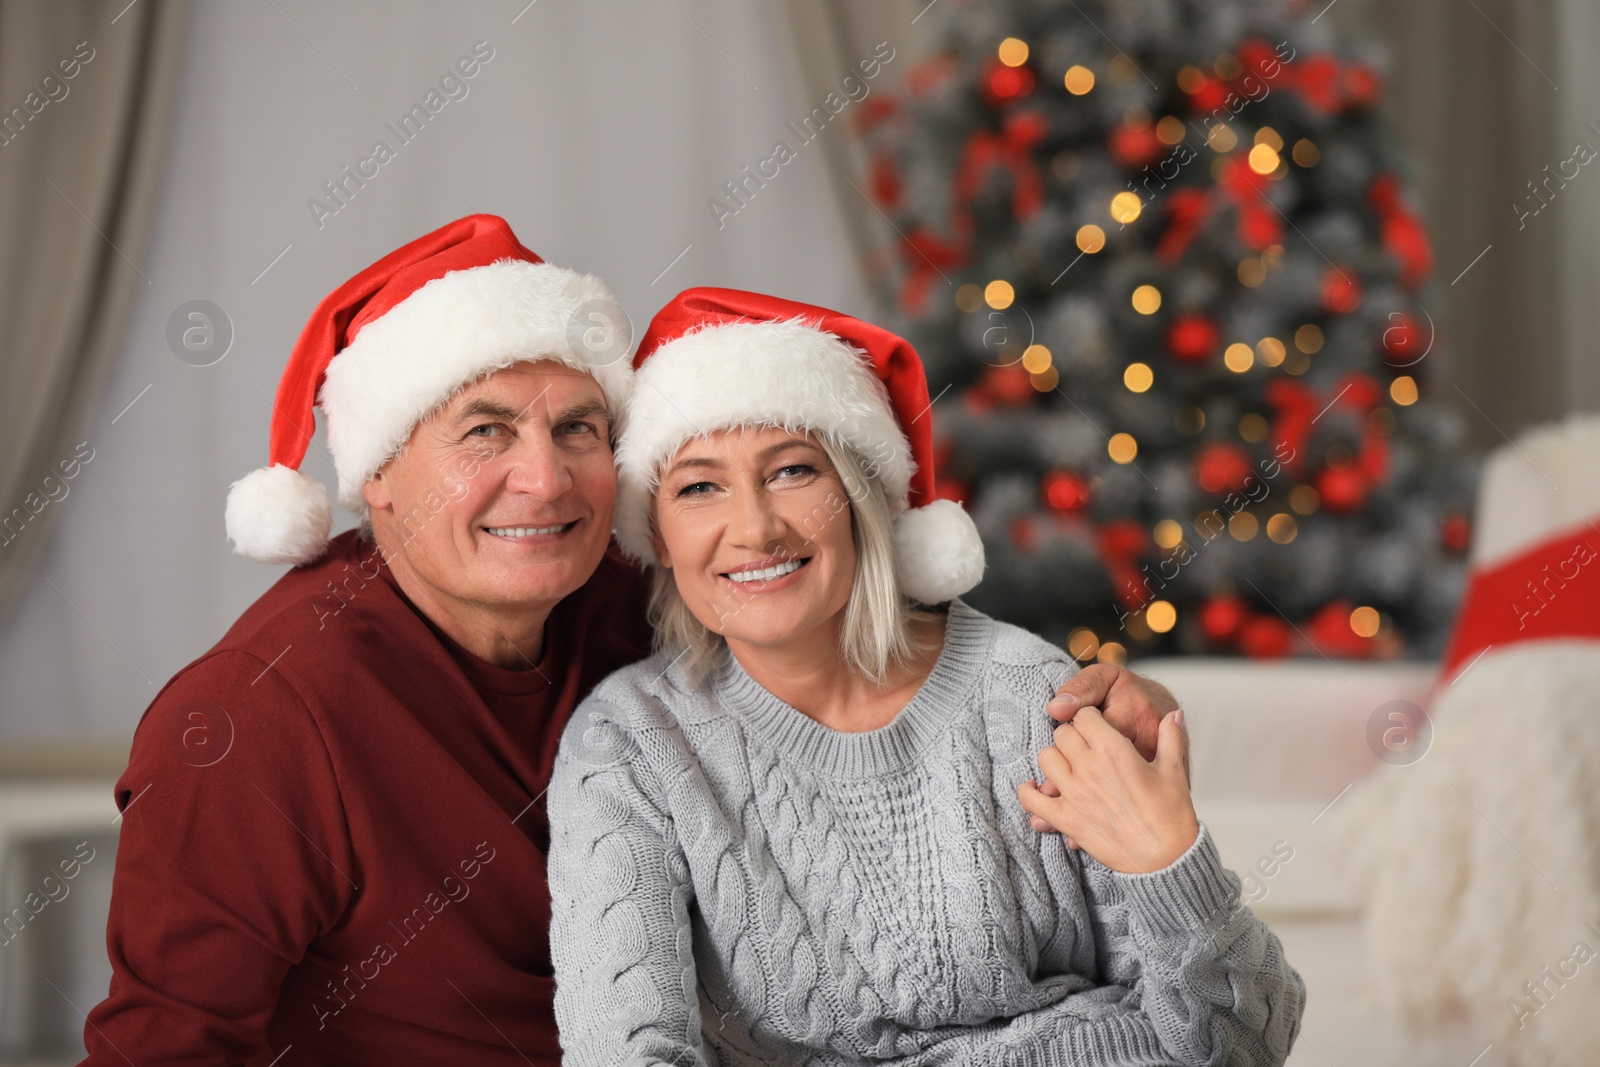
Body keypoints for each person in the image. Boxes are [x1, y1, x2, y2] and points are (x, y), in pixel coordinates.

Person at [81, 216, 1179, 1065]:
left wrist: (1090, 711)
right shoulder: (258, 717)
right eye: (484, 433)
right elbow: (161, 1047)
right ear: (375, 472)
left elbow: (861, 666)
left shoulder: (635, 606)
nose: (545, 478)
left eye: (579, 430)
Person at [547, 288, 1306, 1066]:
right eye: (698, 486)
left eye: (793, 471)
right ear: (660, 536)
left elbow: (1238, 1047)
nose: (754, 528)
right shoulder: (631, 745)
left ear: (860, 498)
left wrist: (1168, 860)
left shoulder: (1027, 696)